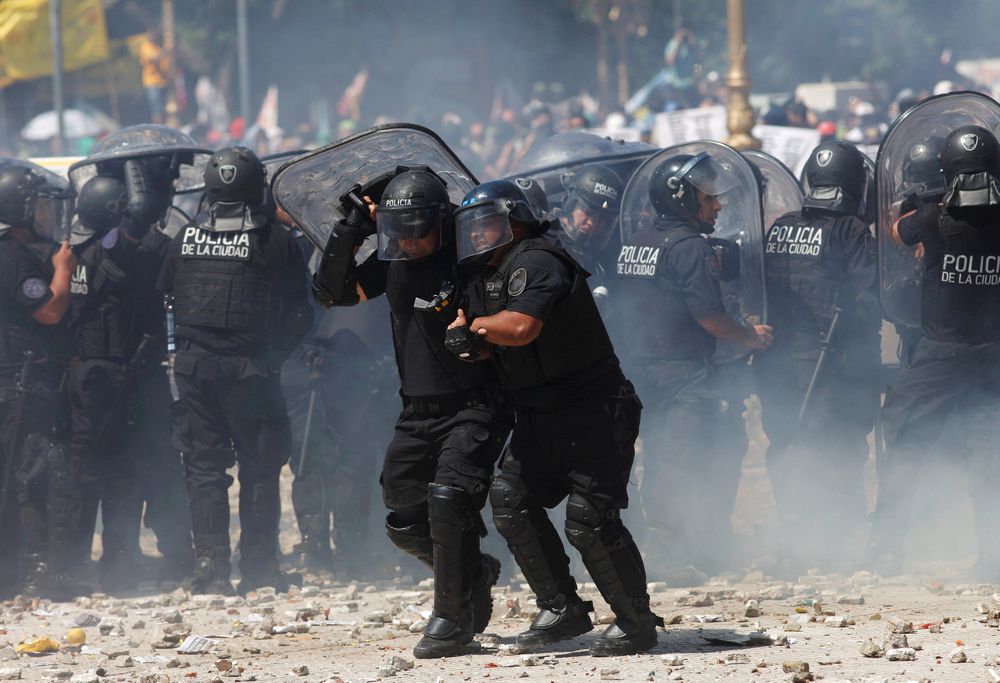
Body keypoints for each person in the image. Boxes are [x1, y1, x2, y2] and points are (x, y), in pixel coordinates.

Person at [447, 179, 661, 657]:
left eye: (487, 223)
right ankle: (561, 608)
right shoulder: (482, 274)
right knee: (510, 498)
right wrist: (468, 341)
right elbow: (489, 342)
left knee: (589, 518)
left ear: (517, 221)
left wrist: (476, 328)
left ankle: (636, 622)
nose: (477, 233)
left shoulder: (538, 259)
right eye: (472, 225)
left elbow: (521, 327)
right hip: (539, 413)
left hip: (593, 410)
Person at [311, 167, 509, 658]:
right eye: (398, 232)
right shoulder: (394, 260)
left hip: (474, 403)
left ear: (441, 222)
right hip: (417, 410)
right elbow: (333, 293)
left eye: (418, 231)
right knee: (402, 513)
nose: (410, 242)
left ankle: (451, 621)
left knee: (449, 500)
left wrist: (478, 334)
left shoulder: (469, 259)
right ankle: (473, 573)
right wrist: (350, 230)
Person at [157, 146, 313, 595]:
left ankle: (210, 570)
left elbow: (165, 295)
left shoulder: (185, 237)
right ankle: (260, 570)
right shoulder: (275, 240)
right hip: (251, 372)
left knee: (203, 467)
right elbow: (300, 314)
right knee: (259, 468)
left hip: (194, 371)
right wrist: (273, 356)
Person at [614, 152, 773, 580]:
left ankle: (691, 549)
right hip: (683, 372)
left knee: (660, 456)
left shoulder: (636, 242)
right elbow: (711, 318)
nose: (717, 206)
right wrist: (750, 335)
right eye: (708, 198)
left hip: (642, 370)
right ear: (681, 198)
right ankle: (668, 556)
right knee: (682, 460)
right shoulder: (689, 248)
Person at [869, 125, 1000, 579]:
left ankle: (887, 549)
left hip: (940, 356)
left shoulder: (931, 220)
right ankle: (992, 558)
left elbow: (893, 232)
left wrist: (917, 204)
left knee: (904, 440)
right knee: (989, 457)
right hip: (993, 359)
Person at [753, 141, 881, 572]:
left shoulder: (781, 226)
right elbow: (867, 300)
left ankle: (795, 537)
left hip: (776, 362)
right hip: (829, 364)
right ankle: (833, 544)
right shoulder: (850, 231)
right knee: (835, 449)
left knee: (786, 445)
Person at [0, 163, 77, 599]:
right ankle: (35, 571)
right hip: (18, 383)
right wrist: (63, 269)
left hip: (14, 378)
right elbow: (49, 310)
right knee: (30, 475)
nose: (49, 214)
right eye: (41, 206)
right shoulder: (13, 256)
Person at [139, 30, 170, 124]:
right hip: (152, 83)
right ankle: (158, 127)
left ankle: (165, 125)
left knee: (164, 109)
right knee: (156, 109)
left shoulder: (160, 47)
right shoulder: (146, 46)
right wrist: (166, 51)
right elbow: (154, 59)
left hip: (164, 82)